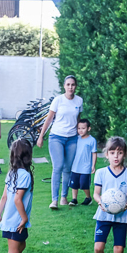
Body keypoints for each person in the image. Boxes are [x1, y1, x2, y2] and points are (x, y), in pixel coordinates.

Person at [36, 75, 83, 209]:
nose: (70, 87)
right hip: (56, 137)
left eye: (73, 84)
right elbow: (49, 119)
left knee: (68, 169)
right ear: (64, 86)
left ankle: (64, 197)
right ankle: (54, 200)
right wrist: (41, 136)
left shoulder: (79, 101)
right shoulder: (58, 100)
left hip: (72, 138)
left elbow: (78, 119)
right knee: (58, 167)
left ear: (75, 86)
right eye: (68, 84)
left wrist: (81, 135)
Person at [0, 139, 34, 253]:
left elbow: (4, 197)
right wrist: (24, 218)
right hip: (16, 221)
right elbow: (17, 199)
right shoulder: (24, 175)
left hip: (11, 220)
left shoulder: (13, 172)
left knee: (21, 245)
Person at [68, 119, 97, 206]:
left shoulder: (92, 140)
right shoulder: (76, 139)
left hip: (85, 166)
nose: (81, 130)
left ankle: (88, 198)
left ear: (88, 128)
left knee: (84, 184)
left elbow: (94, 153)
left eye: (83, 128)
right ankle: (74, 199)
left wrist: (93, 165)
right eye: (79, 128)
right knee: (74, 184)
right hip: (75, 166)